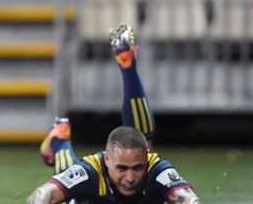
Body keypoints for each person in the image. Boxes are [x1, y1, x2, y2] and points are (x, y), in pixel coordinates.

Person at [27, 24, 201, 204]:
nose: (130, 178)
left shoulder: (157, 170)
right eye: (122, 168)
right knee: (72, 190)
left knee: (142, 143)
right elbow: (44, 195)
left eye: (138, 168)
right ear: (107, 159)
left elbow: (187, 198)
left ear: (147, 162)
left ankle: (127, 66)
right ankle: (59, 144)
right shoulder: (91, 170)